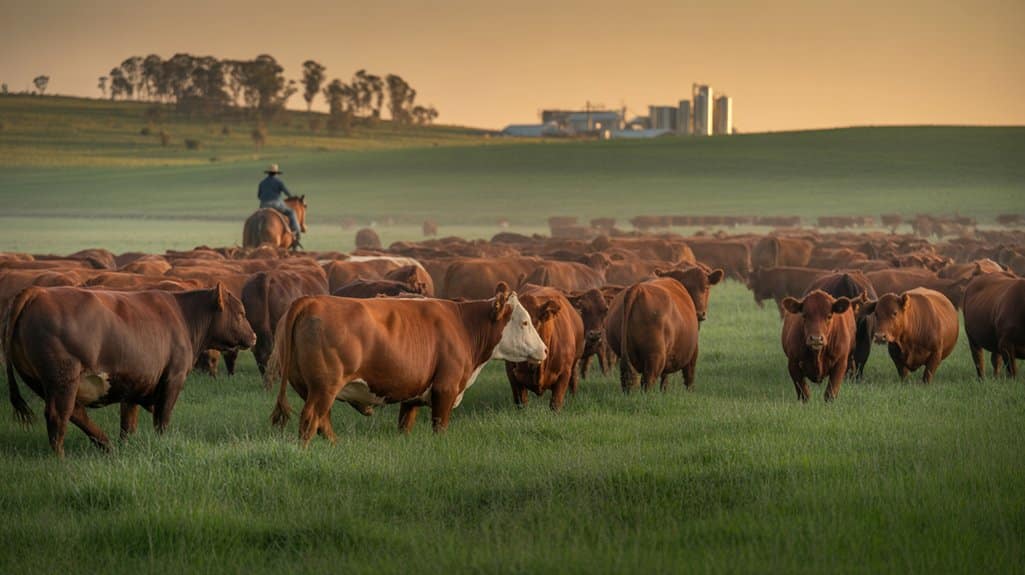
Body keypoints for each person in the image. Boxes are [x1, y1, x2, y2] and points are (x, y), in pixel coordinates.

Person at [257, 164, 301, 242]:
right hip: (276, 204)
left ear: (268, 173)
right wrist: (291, 197)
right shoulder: (279, 182)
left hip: (263, 206)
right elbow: (288, 194)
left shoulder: (262, 182)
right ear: (276, 173)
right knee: (291, 212)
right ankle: (296, 233)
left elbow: (259, 196)